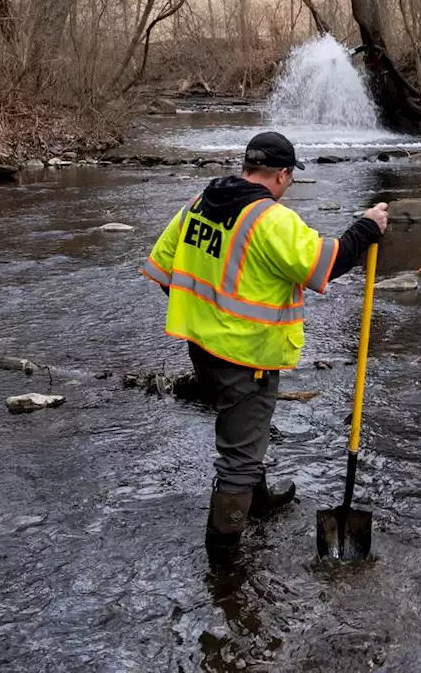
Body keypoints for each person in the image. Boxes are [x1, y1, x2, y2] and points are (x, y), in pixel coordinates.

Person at [141, 131, 390, 565]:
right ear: (283, 174)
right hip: (246, 357)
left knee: (246, 436)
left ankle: (258, 501)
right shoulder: (271, 220)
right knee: (238, 458)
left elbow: (162, 269)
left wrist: (208, 319)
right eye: (289, 178)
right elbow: (325, 264)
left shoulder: (201, 202)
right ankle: (223, 562)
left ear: (247, 167)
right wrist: (367, 227)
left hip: (204, 349)